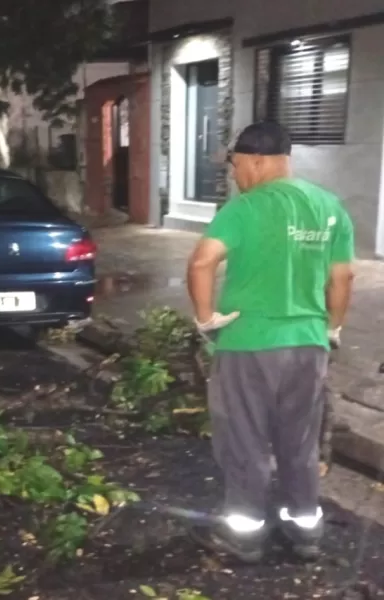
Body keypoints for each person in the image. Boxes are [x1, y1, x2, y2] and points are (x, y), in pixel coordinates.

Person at [185, 121, 355, 563]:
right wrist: (332, 328)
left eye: (237, 166)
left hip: (249, 344)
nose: (235, 175)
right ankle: (305, 532)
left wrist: (206, 319)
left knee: (245, 440)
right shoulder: (329, 206)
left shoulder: (245, 208)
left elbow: (202, 263)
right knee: (299, 441)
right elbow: (343, 278)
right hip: (309, 345)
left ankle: (243, 536)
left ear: (257, 161)